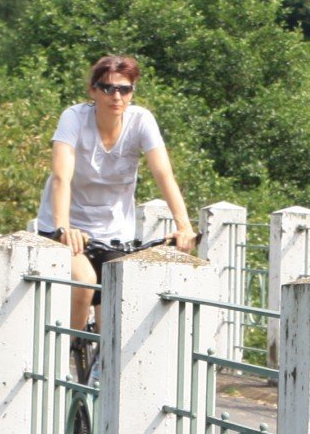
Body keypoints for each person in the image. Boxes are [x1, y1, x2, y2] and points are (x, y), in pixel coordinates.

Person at [37, 54, 196, 331]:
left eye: (125, 89)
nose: (117, 96)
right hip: (68, 228)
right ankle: (66, 358)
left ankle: (103, 366)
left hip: (114, 233)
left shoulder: (141, 120)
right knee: (84, 281)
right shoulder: (74, 117)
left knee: (116, 311)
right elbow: (62, 177)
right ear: (93, 90)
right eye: (108, 88)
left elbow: (163, 174)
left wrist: (184, 227)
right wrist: (63, 230)